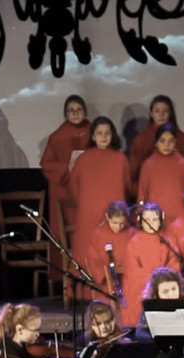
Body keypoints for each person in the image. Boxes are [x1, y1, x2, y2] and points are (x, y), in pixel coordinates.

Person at [69, 117, 131, 260]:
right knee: (87, 253)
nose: (103, 137)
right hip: (88, 216)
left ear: (113, 135)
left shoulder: (121, 159)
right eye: (99, 133)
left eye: (107, 133)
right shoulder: (83, 159)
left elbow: (127, 187)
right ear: (93, 136)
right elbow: (74, 187)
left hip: (115, 217)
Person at [40, 95, 91, 241]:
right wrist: (67, 167)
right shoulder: (57, 137)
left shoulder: (95, 133)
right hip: (65, 189)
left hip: (88, 188)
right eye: (71, 110)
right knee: (65, 231)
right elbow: (46, 164)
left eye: (79, 109)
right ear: (65, 114)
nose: (75, 113)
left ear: (85, 112)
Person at [120, 203, 175, 327]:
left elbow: (174, 264)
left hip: (163, 284)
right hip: (141, 285)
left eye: (155, 219)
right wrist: (155, 279)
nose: (151, 223)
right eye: (147, 220)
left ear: (161, 220)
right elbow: (132, 270)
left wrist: (163, 280)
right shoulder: (134, 242)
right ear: (141, 221)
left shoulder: (167, 240)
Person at [138, 123, 184, 228]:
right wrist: (141, 214)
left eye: (171, 141)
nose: (166, 145)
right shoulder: (148, 165)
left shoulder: (183, 164)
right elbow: (142, 194)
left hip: (180, 219)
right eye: (162, 141)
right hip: (155, 218)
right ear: (156, 142)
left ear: (175, 142)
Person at [129, 95, 184, 185]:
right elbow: (134, 173)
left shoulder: (181, 137)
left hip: (176, 186)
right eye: (157, 111)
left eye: (165, 111)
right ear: (151, 114)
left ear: (170, 113)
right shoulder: (141, 140)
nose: (161, 115)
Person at [83, 201, 131, 303]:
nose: (118, 227)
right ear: (107, 217)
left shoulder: (133, 233)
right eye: (114, 223)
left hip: (129, 280)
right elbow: (92, 259)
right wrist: (108, 273)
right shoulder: (98, 234)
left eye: (122, 223)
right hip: (107, 284)